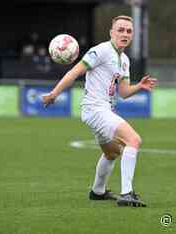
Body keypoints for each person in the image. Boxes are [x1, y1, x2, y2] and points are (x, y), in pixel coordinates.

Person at [42, 15, 157, 207]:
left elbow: (124, 92)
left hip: (104, 110)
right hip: (95, 108)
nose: (125, 34)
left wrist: (139, 86)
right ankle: (127, 193)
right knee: (134, 140)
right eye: (120, 30)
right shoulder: (100, 51)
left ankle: (98, 191)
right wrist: (54, 93)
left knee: (112, 153)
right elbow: (75, 72)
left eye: (129, 31)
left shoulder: (125, 60)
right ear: (111, 33)